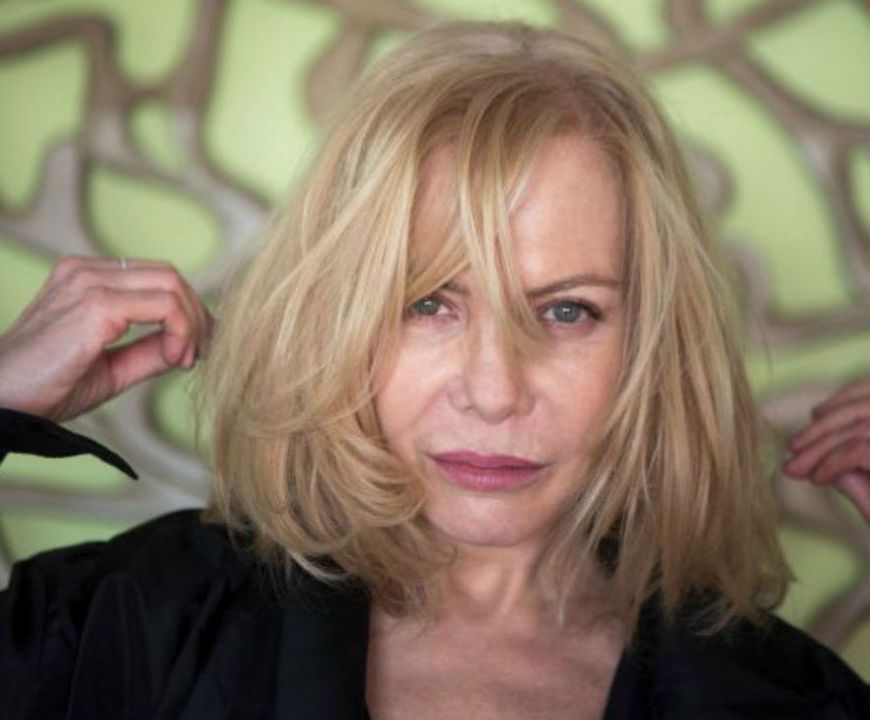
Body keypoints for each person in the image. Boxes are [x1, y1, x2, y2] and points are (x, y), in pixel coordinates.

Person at [0, 19, 868, 720]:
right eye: (427, 303)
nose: (493, 392)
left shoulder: (790, 698)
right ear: (340, 318)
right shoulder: (137, 620)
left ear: (651, 344)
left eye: (567, 311)